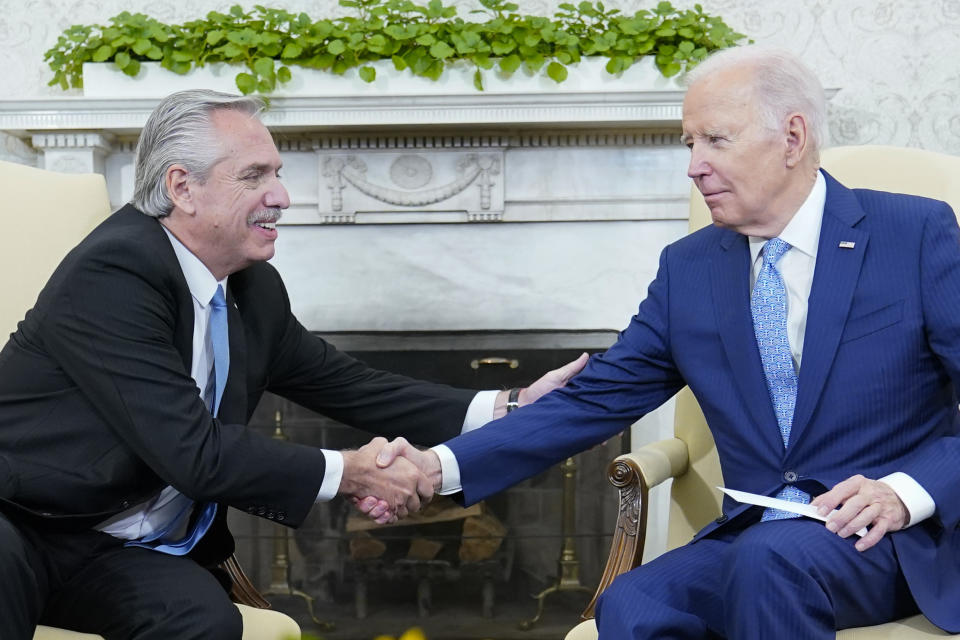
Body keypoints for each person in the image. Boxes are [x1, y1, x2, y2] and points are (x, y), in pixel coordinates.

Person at [373, 45, 960, 638]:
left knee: (772, 561)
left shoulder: (913, 233)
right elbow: (592, 398)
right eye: (689, 144)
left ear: (792, 137)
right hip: (760, 533)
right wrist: (436, 467)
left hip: (891, 537)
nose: (694, 166)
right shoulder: (690, 268)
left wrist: (905, 491)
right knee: (631, 603)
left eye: (715, 140)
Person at [0, 89, 586, 639]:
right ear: (182, 187)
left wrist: (507, 407)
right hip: (23, 523)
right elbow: (194, 454)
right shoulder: (117, 271)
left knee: (205, 623)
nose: (281, 195)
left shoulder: (252, 287)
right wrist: (356, 471)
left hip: (122, 548)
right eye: (255, 175)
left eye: (277, 174)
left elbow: (346, 383)